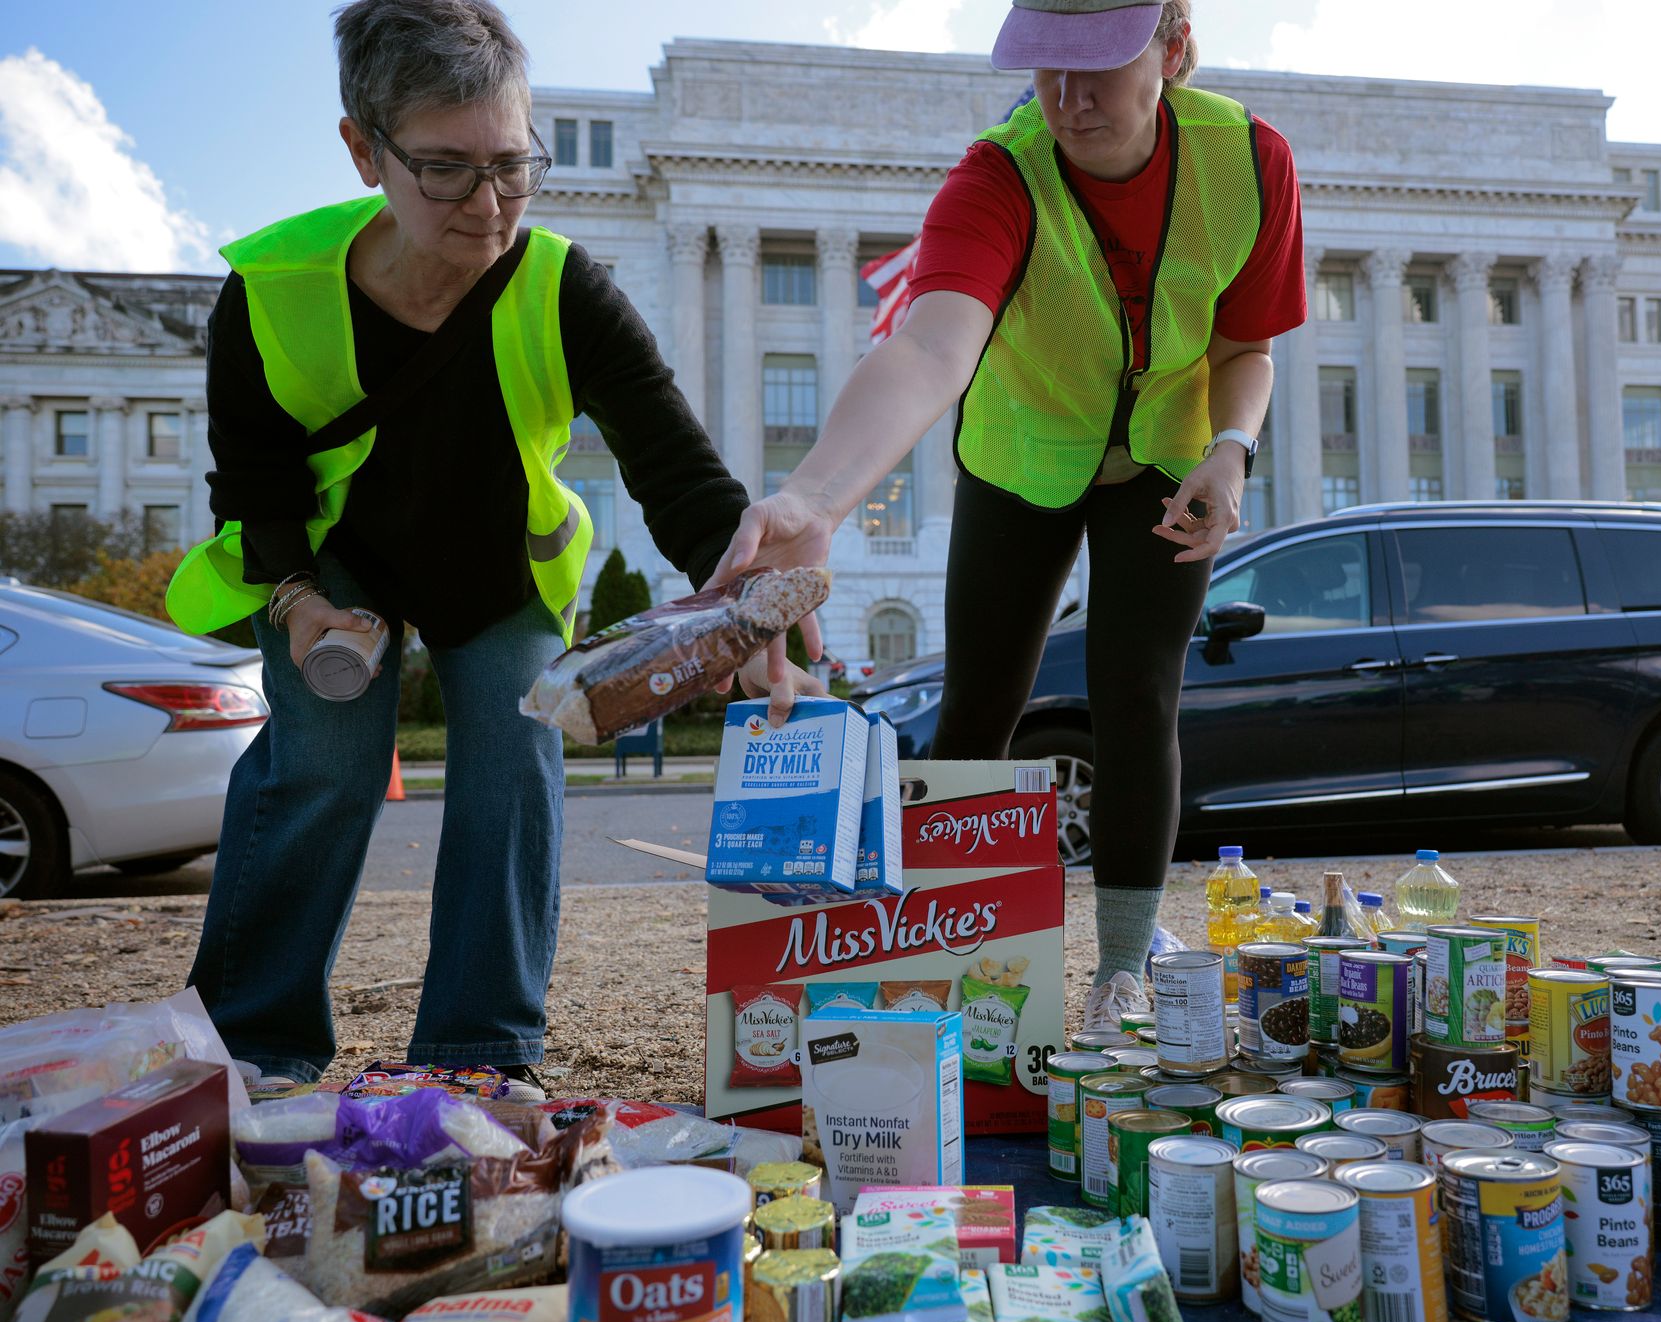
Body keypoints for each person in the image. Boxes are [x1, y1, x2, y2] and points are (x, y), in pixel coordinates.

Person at [166, 0, 813, 1097]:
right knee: (321, 754)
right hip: (336, 564)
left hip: (495, 566)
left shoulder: (566, 287)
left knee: (517, 748)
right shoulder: (269, 293)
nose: (491, 205)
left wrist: (750, 617)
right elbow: (257, 481)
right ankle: (253, 1046)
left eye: (514, 166)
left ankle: (478, 1050)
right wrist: (298, 604)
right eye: (448, 171)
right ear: (363, 148)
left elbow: (676, 469)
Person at [709, 0, 1306, 1029]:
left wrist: (1230, 446)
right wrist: (815, 494)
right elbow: (931, 346)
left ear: (1169, 48)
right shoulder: (997, 172)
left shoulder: (1248, 160)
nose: (1067, 101)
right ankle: (941, 949)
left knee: (1137, 696)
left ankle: (1120, 966)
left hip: (1169, 455)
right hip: (1021, 449)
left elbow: (1245, 346)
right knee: (978, 702)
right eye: (1043, 70)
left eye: (1095, 68)